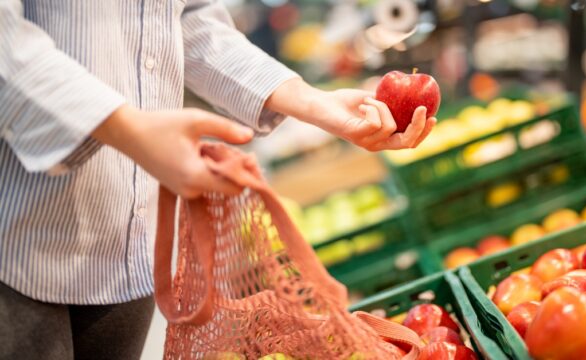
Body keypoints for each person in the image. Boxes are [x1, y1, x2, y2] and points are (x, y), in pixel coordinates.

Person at [0, 1, 436, 359]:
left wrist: (314, 103)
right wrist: (127, 128)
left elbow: (187, 17)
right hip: (19, 236)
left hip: (132, 235)